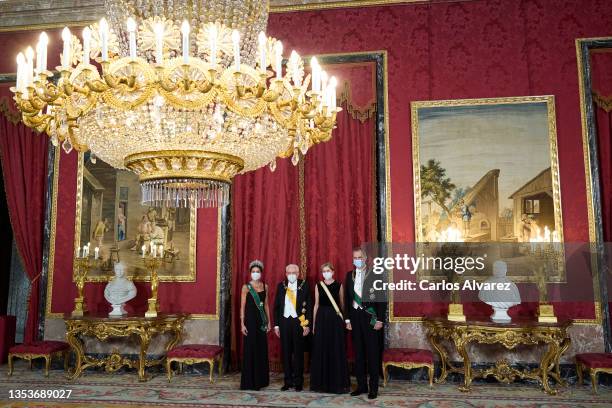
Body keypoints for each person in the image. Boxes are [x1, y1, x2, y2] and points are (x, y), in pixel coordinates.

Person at [345, 247, 385, 399]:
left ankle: (373, 388)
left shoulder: (376, 274)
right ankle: (361, 386)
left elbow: (382, 299)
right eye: (355, 257)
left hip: (371, 317)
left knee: (372, 354)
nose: (357, 260)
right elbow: (348, 300)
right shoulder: (350, 275)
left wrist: (380, 319)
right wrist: (347, 319)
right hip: (355, 317)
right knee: (359, 354)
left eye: (360, 257)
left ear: (366, 258)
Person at [310, 262, 350, 394]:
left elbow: (342, 305)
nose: (326, 273)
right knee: (322, 348)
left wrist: (344, 320)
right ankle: (321, 383)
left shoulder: (339, 285)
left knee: (335, 348)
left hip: (335, 319)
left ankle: (336, 382)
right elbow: (316, 305)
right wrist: (314, 324)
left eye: (328, 270)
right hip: (321, 318)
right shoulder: (318, 285)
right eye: (324, 271)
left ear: (333, 271)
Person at [274, 264, 312, 391]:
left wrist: (307, 325)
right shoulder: (281, 286)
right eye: (289, 272)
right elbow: (277, 307)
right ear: (285, 273)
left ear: (298, 273)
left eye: (294, 272)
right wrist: (276, 325)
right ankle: (288, 381)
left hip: (298, 323)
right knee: (286, 353)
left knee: (298, 353)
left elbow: (310, 307)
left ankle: (298, 381)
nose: (291, 275)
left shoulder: (304, 285)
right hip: (284, 322)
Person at [240, 260, 271, 390]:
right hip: (250, 322)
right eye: (253, 272)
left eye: (257, 271)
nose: (255, 273)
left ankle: (261, 380)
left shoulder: (265, 286)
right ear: (250, 273)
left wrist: (269, 322)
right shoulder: (246, 287)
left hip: (261, 322)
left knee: (261, 349)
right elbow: (242, 306)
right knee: (251, 349)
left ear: (261, 273)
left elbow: (267, 305)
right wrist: (242, 324)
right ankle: (249, 381)